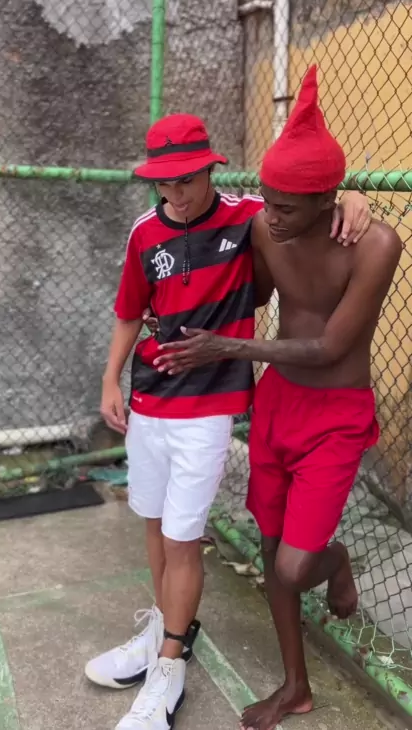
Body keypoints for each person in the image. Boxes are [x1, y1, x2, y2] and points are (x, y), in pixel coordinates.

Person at [85, 109, 371, 730]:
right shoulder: (146, 232)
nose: (176, 192)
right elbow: (131, 309)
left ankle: (170, 666)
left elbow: (311, 203)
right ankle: (161, 630)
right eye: (164, 182)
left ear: (211, 170)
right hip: (151, 398)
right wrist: (111, 378)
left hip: (209, 407)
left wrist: (354, 196)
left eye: (187, 178)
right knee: (155, 525)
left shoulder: (249, 217)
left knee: (183, 537)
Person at [153, 67, 403, 730]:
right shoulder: (269, 227)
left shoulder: (376, 245)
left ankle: (336, 560)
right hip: (277, 407)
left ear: (328, 201)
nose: (271, 215)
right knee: (270, 552)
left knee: (294, 566)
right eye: (267, 201)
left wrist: (227, 348)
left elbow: (329, 348)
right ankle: (295, 687)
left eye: (287, 206)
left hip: (335, 416)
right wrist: (178, 315)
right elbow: (254, 289)